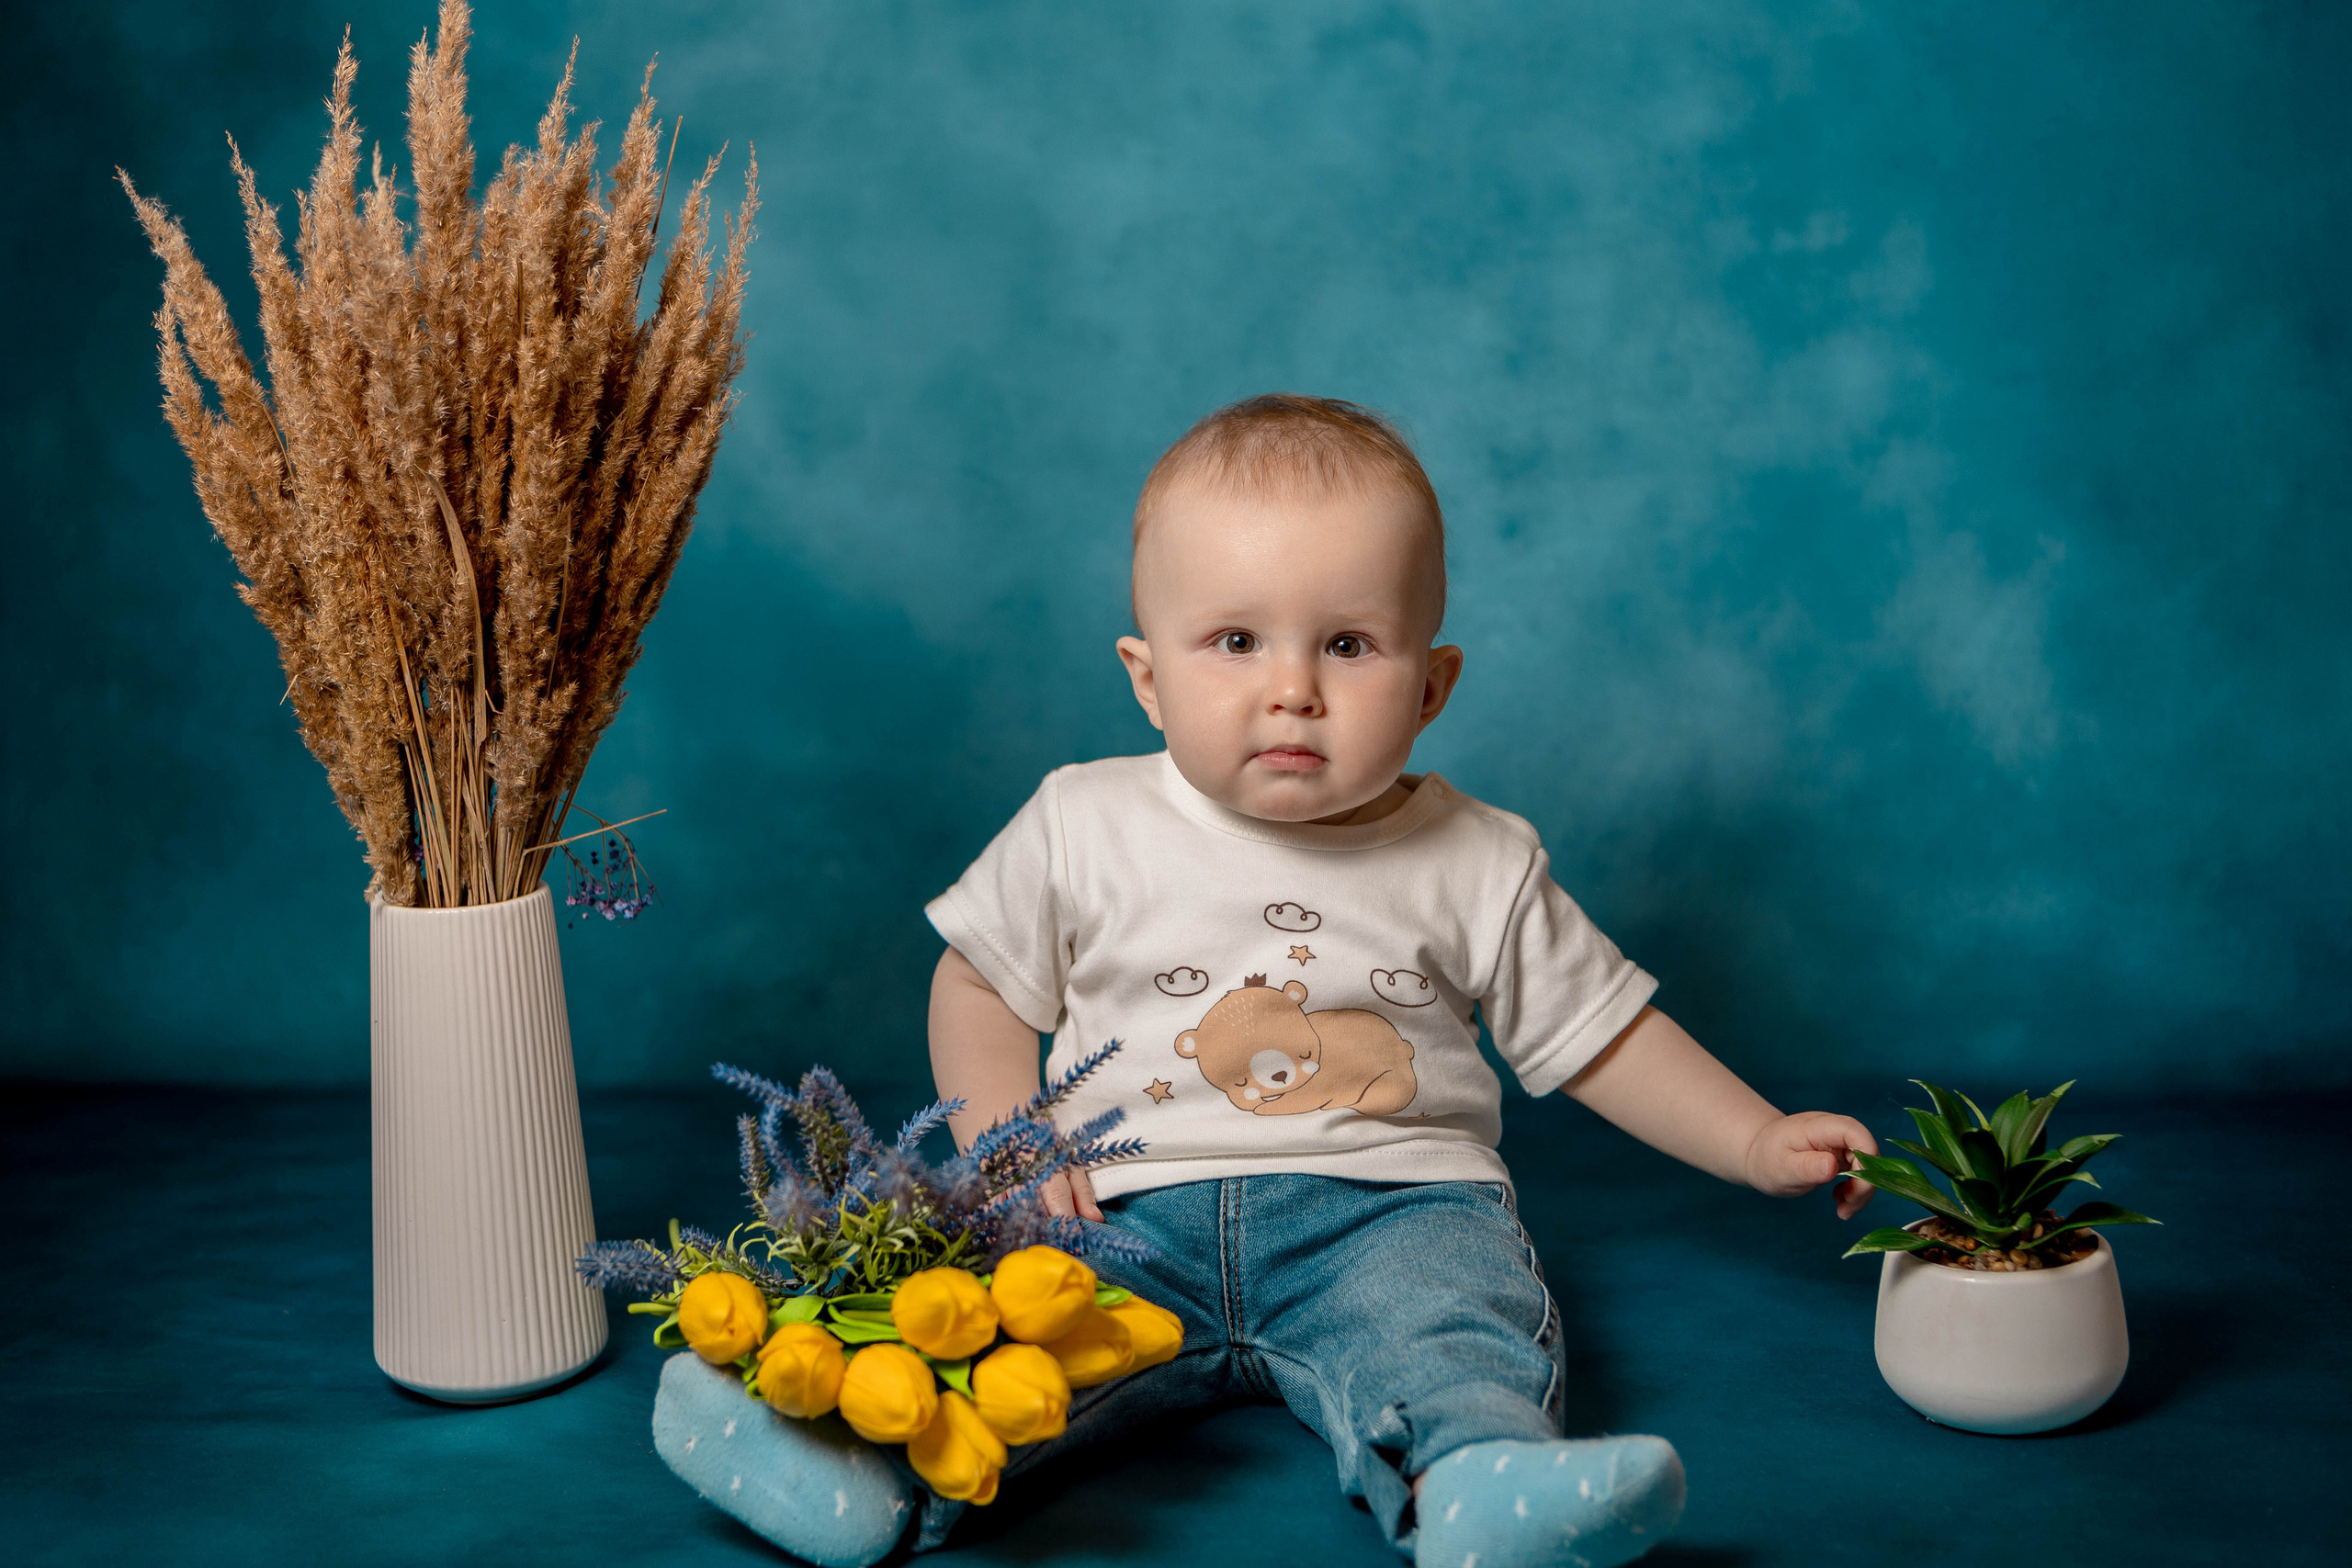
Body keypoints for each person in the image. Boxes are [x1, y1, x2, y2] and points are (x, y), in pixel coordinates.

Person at [668, 395, 1881, 1568]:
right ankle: (849, 1471)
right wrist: (1008, 1136)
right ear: (1149, 679)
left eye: (1349, 645)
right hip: (1117, 1214)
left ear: (1431, 685)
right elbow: (980, 985)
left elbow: (1604, 1032)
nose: (1292, 686)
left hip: (1395, 1211)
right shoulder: (1082, 819)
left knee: (1453, 1328)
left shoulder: (1477, 856)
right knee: (993, 1346)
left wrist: (1757, 1139)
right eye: (1235, 641)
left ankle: (1477, 1483)